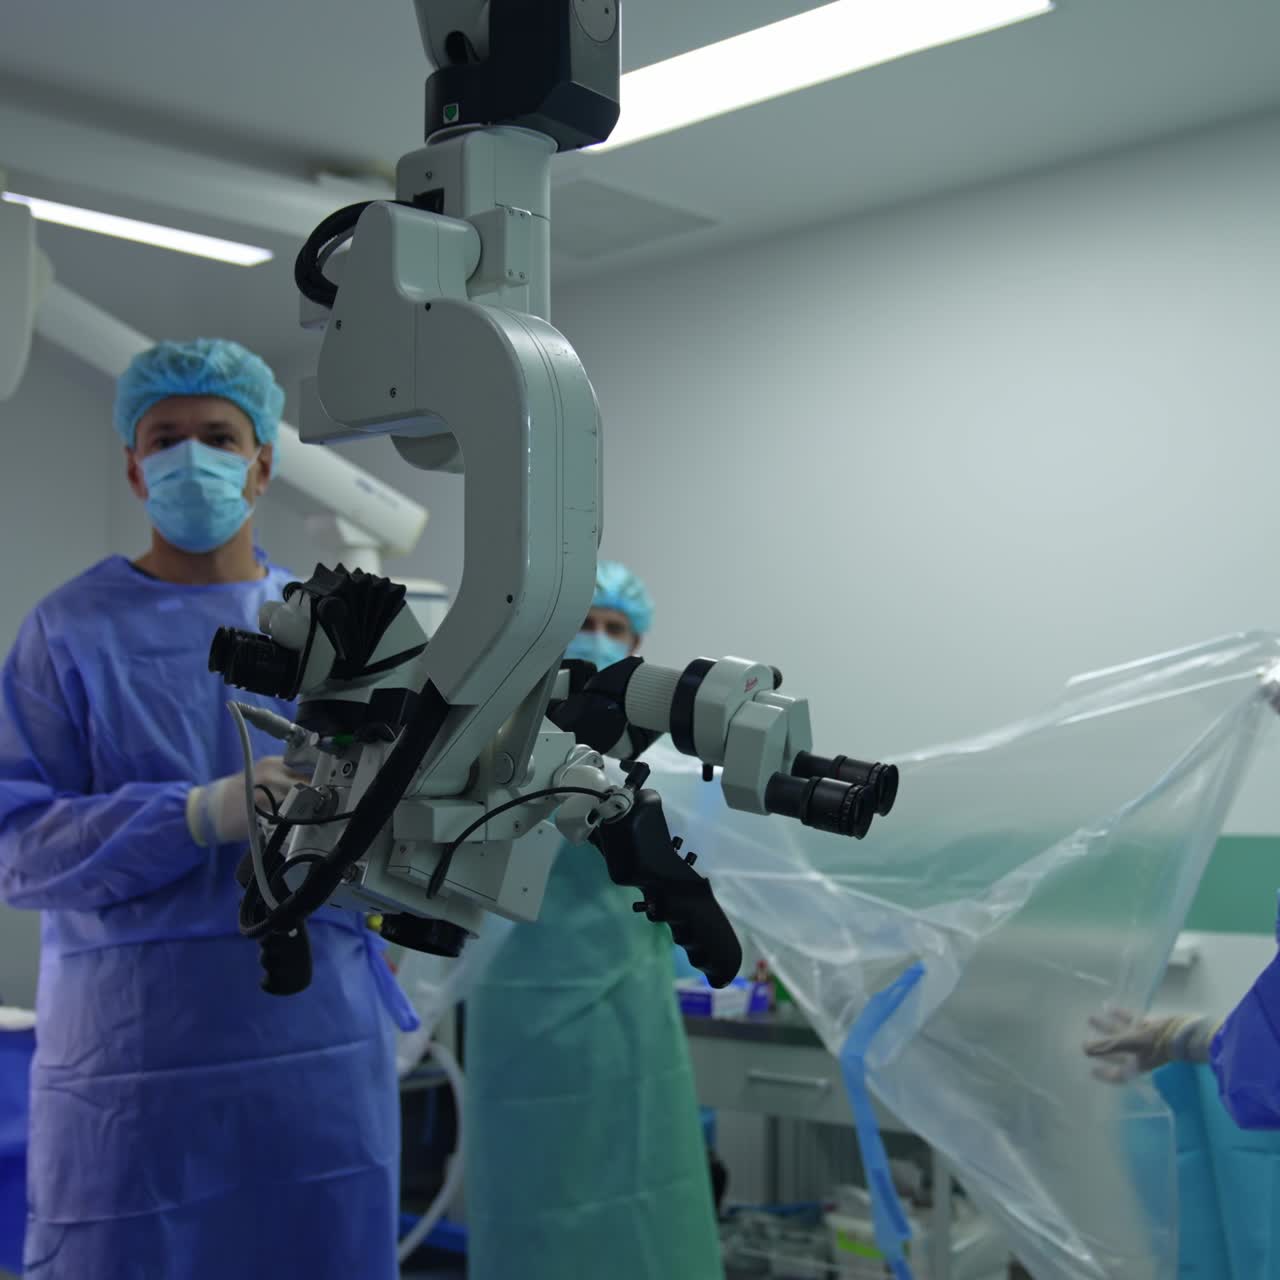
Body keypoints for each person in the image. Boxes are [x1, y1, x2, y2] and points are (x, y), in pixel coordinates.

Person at [0, 339, 415, 1280]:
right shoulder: (68, 631)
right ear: (134, 467)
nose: (195, 457)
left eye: (220, 437)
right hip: (135, 1063)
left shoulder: (332, 637)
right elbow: (15, 847)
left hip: (315, 1043)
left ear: (263, 462)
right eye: (167, 438)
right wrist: (196, 814)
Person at [464, 560, 725, 1280]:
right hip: (517, 1015)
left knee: (641, 1199)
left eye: (615, 627)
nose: (597, 639)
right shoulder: (490, 747)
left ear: (638, 649)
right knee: (532, 1204)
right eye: (582, 622)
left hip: (627, 1017)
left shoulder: (664, 763)